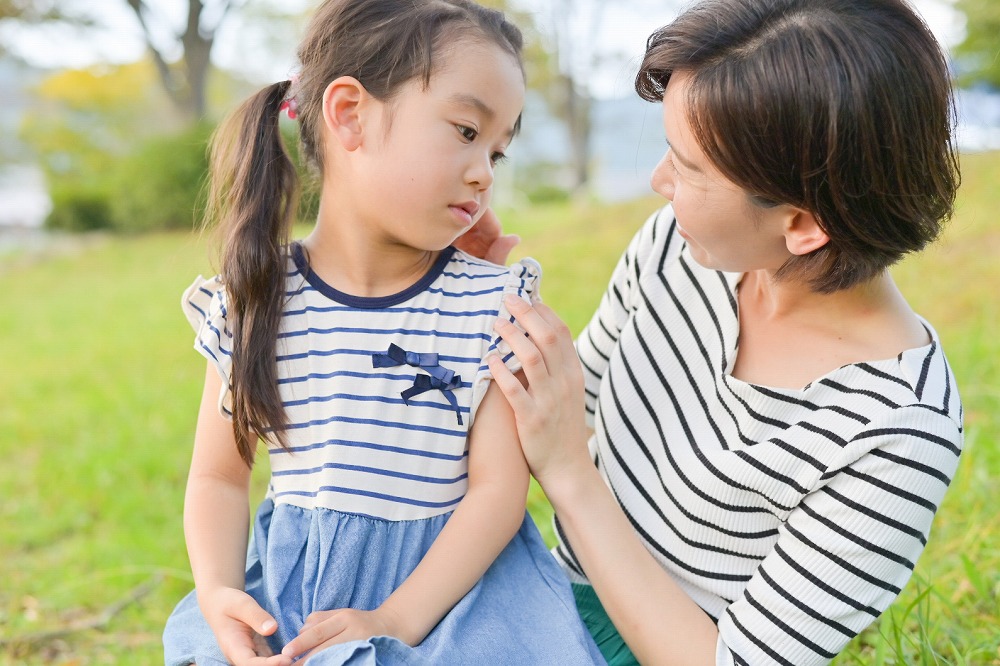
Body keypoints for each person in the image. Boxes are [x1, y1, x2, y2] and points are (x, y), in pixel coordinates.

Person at [484, 0, 965, 663]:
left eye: (686, 169)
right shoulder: (677, 249)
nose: (657, 183)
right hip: (534, 592)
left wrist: (570, 473)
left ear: (801, 225)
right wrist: (455, 289)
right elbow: (559, 401)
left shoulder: (896, 430)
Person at [161, 1, 604, 665]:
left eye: (498, 150)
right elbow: (220, 478)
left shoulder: (488, 302)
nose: (485, 170)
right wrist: (220, 590)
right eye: (464, 130)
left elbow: (497, 492)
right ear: (349, 114)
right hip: (299, 600)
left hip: (455, 604)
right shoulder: (257, 299)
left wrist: (395, 617)